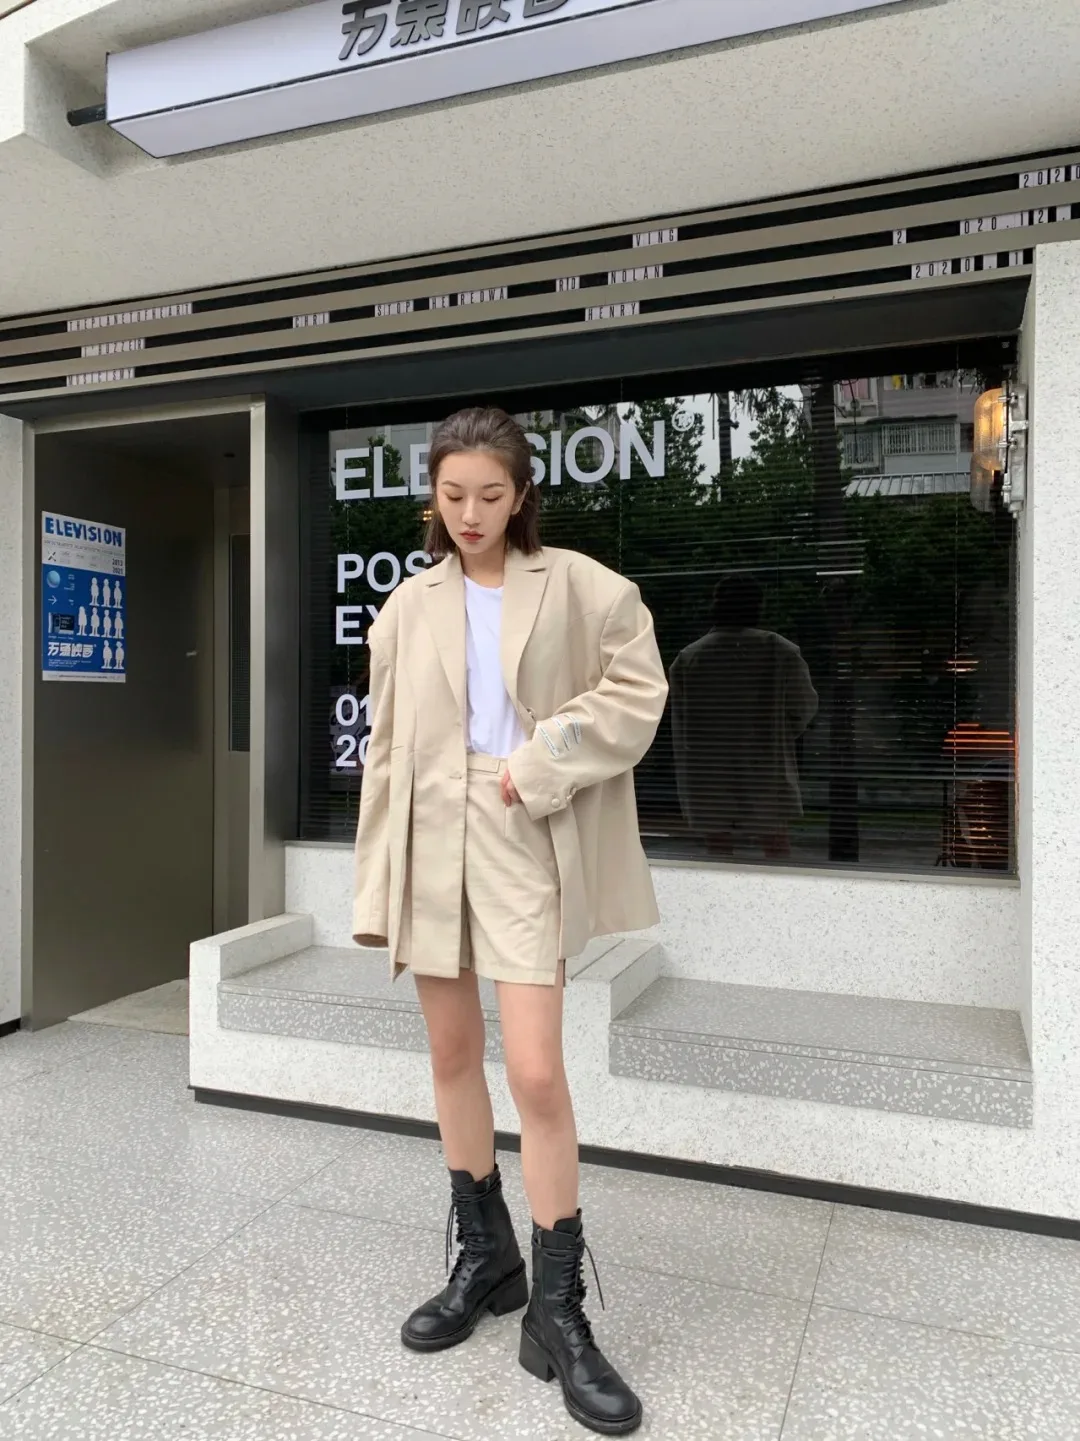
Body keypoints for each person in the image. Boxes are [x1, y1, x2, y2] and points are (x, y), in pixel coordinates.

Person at [352, 407, 668, 1436]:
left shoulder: (580, 584)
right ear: (433, 498)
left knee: (534, 1070)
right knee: (450, 1053)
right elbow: (386, 752)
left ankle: (558, 1310)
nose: (471, 512)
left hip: (522, 824)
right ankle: (486, 1257)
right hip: (426, 832)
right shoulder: (406, 607)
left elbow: (639, 691)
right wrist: (376, 878)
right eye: (453, 494)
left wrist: (539, 762)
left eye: (491, 493)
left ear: (523, 492)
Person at [669, 574, 818, 860]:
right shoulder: (780, 650)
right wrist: (779, 734)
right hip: (765, 762)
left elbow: (682, 719)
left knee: (719, 847)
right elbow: (803, 706)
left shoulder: (690, 657)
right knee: (775, 845)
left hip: (709, 767)